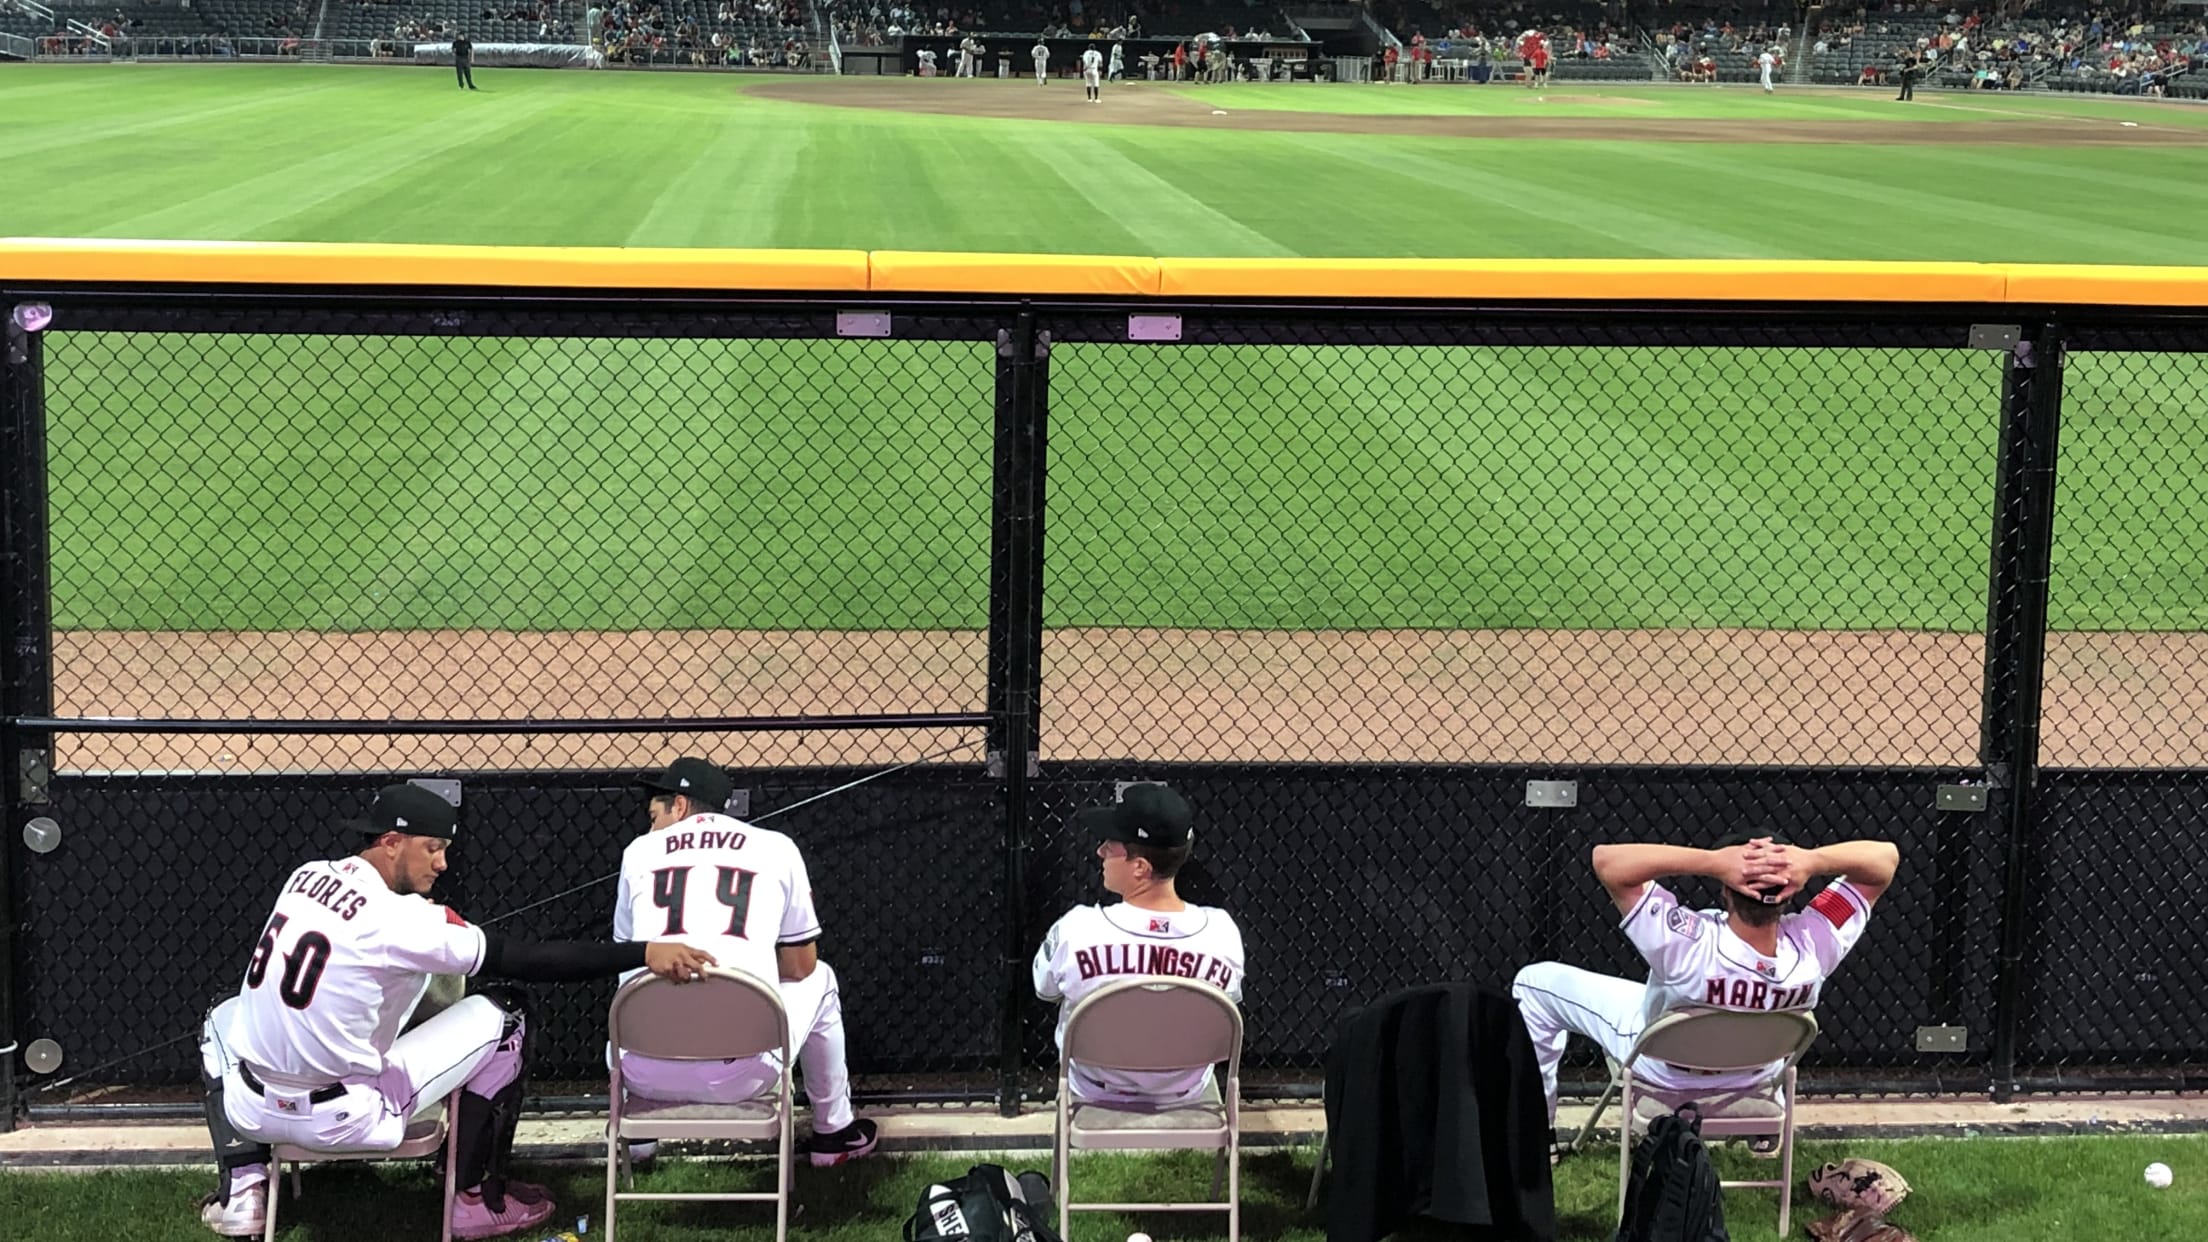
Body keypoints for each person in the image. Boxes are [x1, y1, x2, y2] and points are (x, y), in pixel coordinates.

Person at [197, 784, 717, 1240]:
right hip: (348, 1115)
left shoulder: (306, 875)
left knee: (222, 1013)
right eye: (433, 848)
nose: (442, 864)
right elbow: (528, 960)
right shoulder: (401, 922)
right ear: (391, 842)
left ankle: (243, 1186)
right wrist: (642, 951)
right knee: (506, 1013)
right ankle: (475, 1201)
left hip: (253, 1107)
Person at [1511, 833, 1900, 1126]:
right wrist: (1811, 860)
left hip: (1665, 1073)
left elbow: (1607, 861)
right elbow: (1885, 859)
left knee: (1534, 983)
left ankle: (1535, 1133)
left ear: (1726, 892)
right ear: (1790, 893)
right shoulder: (1816, 943)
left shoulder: (1688, 943)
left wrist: (1713, 861)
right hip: (1756, 1077)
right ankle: (1760, 1128)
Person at [610, 757, 879, 1166]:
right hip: (743, 1075)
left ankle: (641, 1138)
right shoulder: (776, 847)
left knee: (635, 982)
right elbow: (800, 967)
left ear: (679, 806)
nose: (651, 827)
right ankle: (834, 1133)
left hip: (643, 1071)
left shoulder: (638, 853)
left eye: (654, 815)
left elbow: (627, 962)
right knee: (820, 977)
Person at [1032, 784, 1245, 1106]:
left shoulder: (1076, 930)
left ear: (1140, 867)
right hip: (1184, 1089)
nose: (1100, 851)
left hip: (1093, 1088)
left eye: (1111, 845)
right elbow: (1226, 1008)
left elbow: (1046, 991)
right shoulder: (1222, 934)